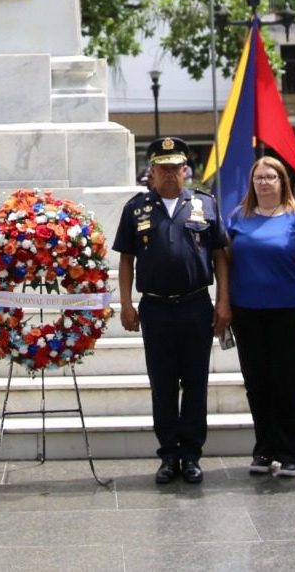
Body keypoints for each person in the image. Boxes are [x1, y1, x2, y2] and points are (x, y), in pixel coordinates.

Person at [114, 136, 229, 484]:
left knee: (196, 383)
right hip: (156, 309)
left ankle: (191, 455)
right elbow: (126, 260)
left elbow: (221, 255)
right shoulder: (136, 208)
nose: (168, 174)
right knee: (162, 384)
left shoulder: (205, 205)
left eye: (175, 168)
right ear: (151, 171)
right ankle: (168, 455)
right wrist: (125, 303)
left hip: (196, 305)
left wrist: (224, 300)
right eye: (161, 168)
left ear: (185, 171)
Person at [226, 156, 295, 478]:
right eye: (259, 178)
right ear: (252, 183)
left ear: (283, 181)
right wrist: (223, 305)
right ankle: (265, 449)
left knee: (290, 384)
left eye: (271, 177)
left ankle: (292, 452)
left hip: (291, 313)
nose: (265, 182)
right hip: (248, 313)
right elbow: (224, 265)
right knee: (257, 384)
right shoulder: (237, 218)